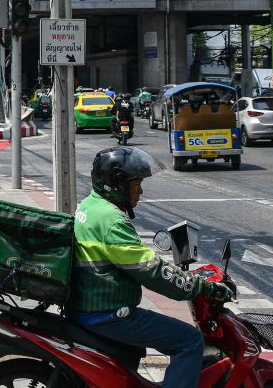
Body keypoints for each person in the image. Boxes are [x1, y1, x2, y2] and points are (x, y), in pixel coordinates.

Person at [68, 147, 233, 388]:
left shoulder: (89, 205)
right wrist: (203, 287)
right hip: (106, 313)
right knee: (189, 340)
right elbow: (151, 271)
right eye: (136, 185)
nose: (141, 191)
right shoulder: (111, 220)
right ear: (117, 185)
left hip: (88, 304)